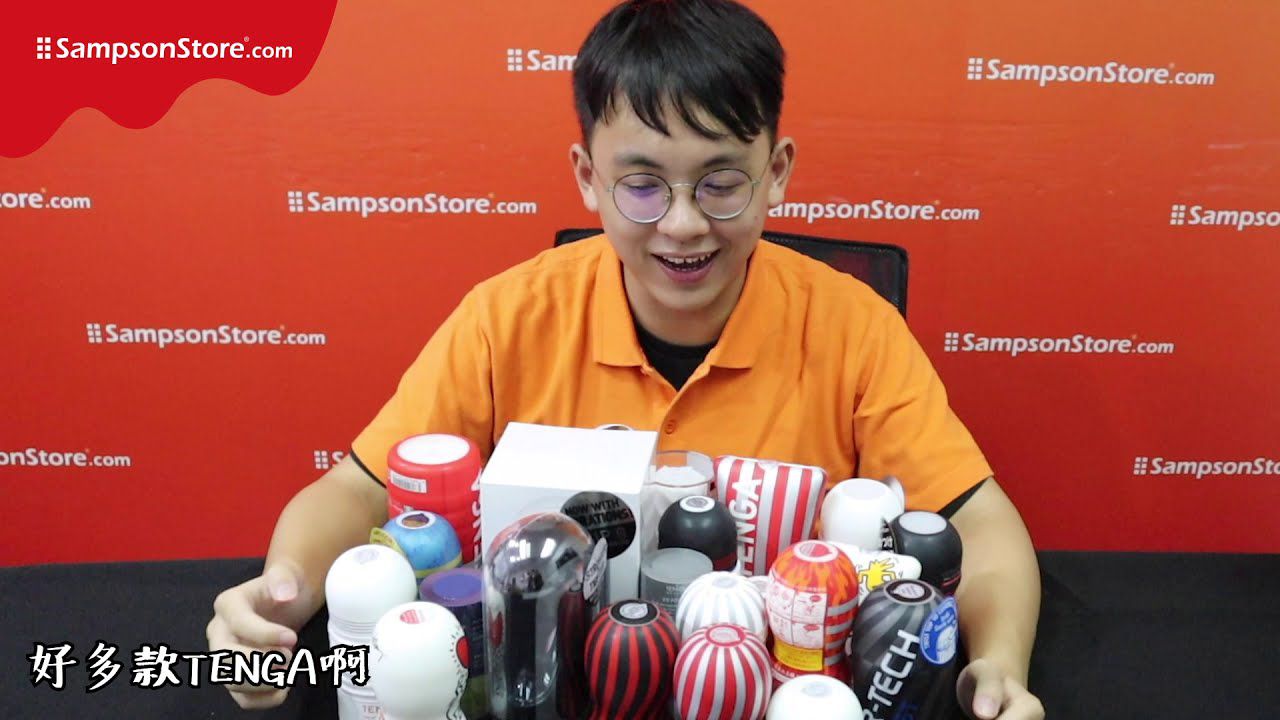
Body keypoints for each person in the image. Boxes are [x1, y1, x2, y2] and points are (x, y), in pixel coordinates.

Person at [206, 1, 1044, 718]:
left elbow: (978, 522)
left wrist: (999, 662)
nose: (682, 224)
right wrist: (280, 599)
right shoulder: (508, 318)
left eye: (722, 182)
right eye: (641, 185)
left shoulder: (854, 327)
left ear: (777, 173)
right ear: (587, 177)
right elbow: (359, 491)